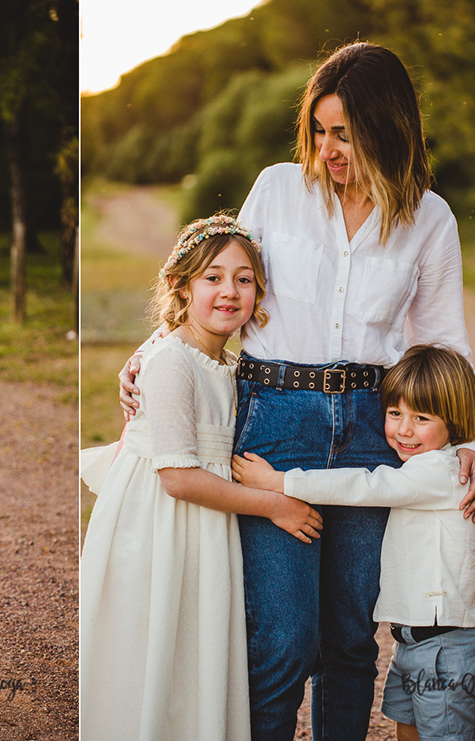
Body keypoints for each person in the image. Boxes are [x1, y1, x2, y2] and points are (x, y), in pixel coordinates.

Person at [119, 42, 475, 740]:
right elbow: (219, 283)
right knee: (283, 639)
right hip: (274, 419)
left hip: (367, 428)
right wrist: (152, 351)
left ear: (388, 127)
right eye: (319, 131)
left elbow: (445, 346)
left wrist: (470, 444)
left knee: (350, 641)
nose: (327, 150)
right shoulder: (278, 189)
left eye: (344, 134)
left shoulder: (429, 218)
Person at [81, 215, 324, 741]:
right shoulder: (171, 361)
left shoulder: (228, 363)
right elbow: (178, 478)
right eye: (212, 277)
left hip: (203, 526)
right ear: (181, 285)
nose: (229, 291)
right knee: (159, 642)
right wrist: (276, 504)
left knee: (194, 648)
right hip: (160, 525)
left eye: (243, 279)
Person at [233, 344, 475, 741]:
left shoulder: (440, 472)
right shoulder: (419, 464)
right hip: (412, 640)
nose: (404, 430)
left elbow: (363, 485)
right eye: (394, 413)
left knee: (445, 734)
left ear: (455, 422)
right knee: (410, 729)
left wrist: (280, 482)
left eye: (421, 418)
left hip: (443, 646)